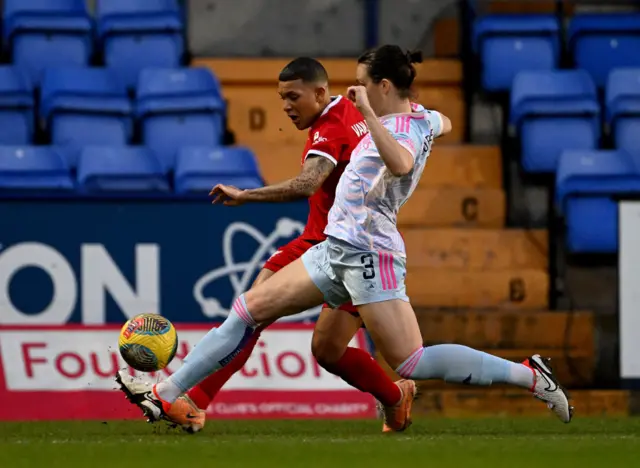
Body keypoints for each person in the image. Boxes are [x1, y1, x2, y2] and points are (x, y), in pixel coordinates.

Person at [117, 45, 573, 432]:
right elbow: (444, 122)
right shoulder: (419, 118)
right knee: (247, 310)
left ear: (384, 87)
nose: (354, 91)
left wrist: (375, 116)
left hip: (369, 254)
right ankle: (165, 393)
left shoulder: (400, 128)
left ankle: (528, 376)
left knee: (412, 361)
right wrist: (420, 116)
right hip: (334, 247)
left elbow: (399, 162)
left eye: (362, 83)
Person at [118, 57, 415, 433]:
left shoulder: (334, 124)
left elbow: (307, 183)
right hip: (318, 238)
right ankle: (193, 403)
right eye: (282, 99)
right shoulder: (345, 111)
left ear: (320, 92)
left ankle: (395, 395)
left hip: (349, 250)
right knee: (255, 316)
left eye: (294, 96)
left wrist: (246, 196)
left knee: (317, 346)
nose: (287, 107)